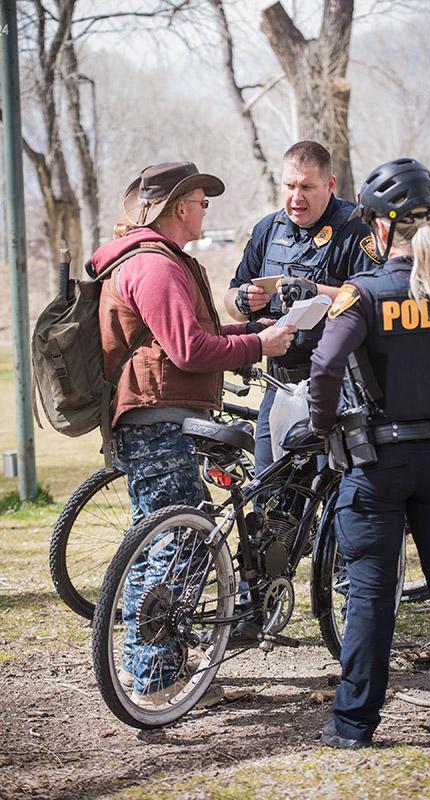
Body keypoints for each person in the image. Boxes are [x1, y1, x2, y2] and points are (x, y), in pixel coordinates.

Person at [309, 157, 430, 748]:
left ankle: (354, 724)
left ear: (379, 229)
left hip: (375, 465)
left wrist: (323, 425)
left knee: (369, 594)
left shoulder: (361, 296)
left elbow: (324, 365)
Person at [90, 161, 294, 708]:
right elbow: (187, 350)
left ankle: (143, 664)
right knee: (181, 543)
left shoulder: (160, 260)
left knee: (155, 542)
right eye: (203, 200)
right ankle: (156, 675)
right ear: (180, 207)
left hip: (158, 413)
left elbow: (193, 334)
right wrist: (261, 347)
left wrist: (251, 332)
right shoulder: (154, 266)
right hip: (160, 416)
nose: (207, 209)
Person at [224, 140, 375, 478]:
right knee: (269, 491)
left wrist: (315, 291)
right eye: (290, 185)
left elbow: (372, 301)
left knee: (336, 492)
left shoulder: (355, 229)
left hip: (340, 386)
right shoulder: (268, 228)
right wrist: (241, 301)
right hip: (279, 385)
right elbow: (231, 296)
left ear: (330, 185)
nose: (296, 197)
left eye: (307, 186)